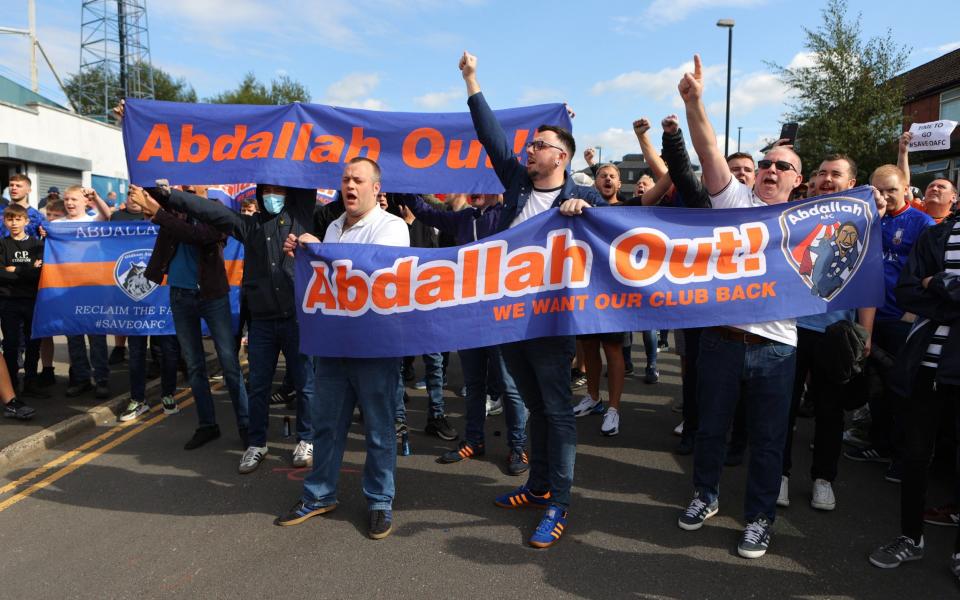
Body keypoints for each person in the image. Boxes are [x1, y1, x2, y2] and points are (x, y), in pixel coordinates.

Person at [460, 50, 604, 549]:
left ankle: (559, 503)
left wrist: (587, 212)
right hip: (509, 319)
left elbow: (618, 235)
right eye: (530, 144)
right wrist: (473, 81)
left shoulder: (585, 198)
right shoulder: (517, 183)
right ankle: (538, 485)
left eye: (538, 144)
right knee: (537, 409)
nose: (529, 149)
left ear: (560, 156)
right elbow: (490, 136)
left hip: (552, 324)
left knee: (558, 411)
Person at [675, 54, 799, 559]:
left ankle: (759, 519)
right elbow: (707, 149)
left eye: (781, 166)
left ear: (798, 179)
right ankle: (705, 496)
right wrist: (695, 103)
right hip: (721, 340)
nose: (769, 170)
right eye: (764, 163)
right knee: (711, 429)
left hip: (777, 348)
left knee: (769, 442)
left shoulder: (812, 217)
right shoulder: (733, 202)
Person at [141, 182, 318, 473]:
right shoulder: (248, 226)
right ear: (260, 194)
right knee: (258, 386)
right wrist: (167, 195)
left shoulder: (301, 216)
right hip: (261, 321)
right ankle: (257, 443)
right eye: (268, 190)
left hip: (295, 319)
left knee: (305, 384)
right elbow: (208, 210)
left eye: (280, 190)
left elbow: (302, 174)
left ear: (290, 193)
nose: (273, 196)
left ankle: (306, 438)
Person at [277, 157, 409, 540]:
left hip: (376, 346)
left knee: (380, 429)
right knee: (326, 425)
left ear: (376, 189)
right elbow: (330, 282)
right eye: (345, 179)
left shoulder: (392, 227)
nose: (349, 185)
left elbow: (377, 274)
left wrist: (321, 251)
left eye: (358, 180)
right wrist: (303, 255)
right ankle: (319, 495)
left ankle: (380, 500)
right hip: (334, 346)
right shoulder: (334, 226)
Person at [399, 192, 530, 472]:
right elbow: (424, 212)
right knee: (473, 385)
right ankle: (474, 440)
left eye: (483, 184)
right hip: (469, 318)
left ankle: (518, 447)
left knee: (509, 386)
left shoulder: (512, 216)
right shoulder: (463, 219)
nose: (475, 190)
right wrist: (405, 183)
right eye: (471, 185)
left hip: (501, 318)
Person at [869, 200, 960, 582]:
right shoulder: (937, 234)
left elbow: (925, 287)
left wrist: (937, 283)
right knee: (915, 455)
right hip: (925, 365)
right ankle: (910, 537)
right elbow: (906, 291)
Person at [127, 185, 250, 450]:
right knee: (194, 366)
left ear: (206, 185)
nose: (187, 185)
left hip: (212, 295)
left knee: (229, 364)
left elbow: (196, 235)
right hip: (180, 296)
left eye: (193, 181)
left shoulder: (218, 212)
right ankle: (207, 425)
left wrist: (158, 213)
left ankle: (247, 427)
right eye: (183, 181)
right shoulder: (174, 206)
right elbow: (153, 192)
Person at [111, 190, 181, 422]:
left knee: (168, 351)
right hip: (136, 302)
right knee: (137, 352)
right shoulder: (127, 228)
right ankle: (137, 400)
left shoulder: (171, 225)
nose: (138, 200)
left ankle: (168, 394)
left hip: (165, 300)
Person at [57, 186, 112, 398]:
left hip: (93, 288)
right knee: (74, 337)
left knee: (96, 336)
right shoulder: (56, 225)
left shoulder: (92, 220)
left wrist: (96, 197)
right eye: (67, 199)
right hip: (67, 288)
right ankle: (81, 379)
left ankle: (101, 379)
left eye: (74, 199)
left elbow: (107, 215)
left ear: (85, 202)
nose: (70, 203)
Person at [0, 204, 46, 399]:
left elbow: (40, 274)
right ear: (5, 221)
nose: (14, 223)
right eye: (10, 219)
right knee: (10, 345)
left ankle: (31, 382)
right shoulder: (2, 244)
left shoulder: (37, 244)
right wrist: (29, 269)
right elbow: (0, 274)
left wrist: (15, 270)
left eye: (18, 219)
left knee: (33, 343)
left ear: (27, 221)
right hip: (8, 301)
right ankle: (11, 385)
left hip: (32, 300)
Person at [0, 174, 48, 239]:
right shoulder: (1, 210)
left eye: (18, 186)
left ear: (28, 190)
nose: (14, 188)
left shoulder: (37, 216)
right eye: (11, 185)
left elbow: (46, 240)